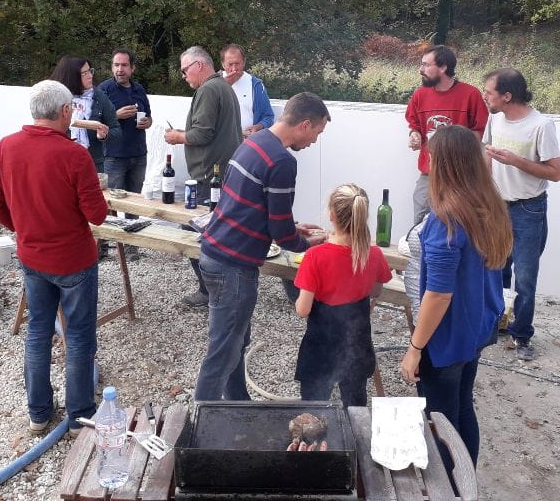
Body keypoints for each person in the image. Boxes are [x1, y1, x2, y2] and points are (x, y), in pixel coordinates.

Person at [0, 80, 109, 437]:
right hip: (73, 260)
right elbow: (96, 215)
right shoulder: (74, 155)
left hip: (33, 257)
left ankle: (39, 413)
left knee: (38, 330)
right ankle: (79, 416)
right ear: (66, 112)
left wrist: (23, 227)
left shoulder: (5, 147)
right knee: (80, 335)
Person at [194, 92, 331, 401]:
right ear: (304, 125)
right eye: (317, 133)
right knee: (222, 351)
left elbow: (250, 206)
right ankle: (201, 423)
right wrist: (308, 244)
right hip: (233, 265)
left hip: (213, 252)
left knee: (236, 340)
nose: (314, 141)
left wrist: (294, 227)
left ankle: (238, 403)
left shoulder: (253, 142)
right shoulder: (282, 161)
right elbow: (282, 236)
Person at [399, 124, 512, 468]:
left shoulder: (445, 220)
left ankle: (448, 486)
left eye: (433, 157)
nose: (428, 163)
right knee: (462, 406)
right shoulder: (489, 208)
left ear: (446, 164)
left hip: (446, 338)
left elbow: (438, 295)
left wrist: (415, 349)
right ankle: (466, 482)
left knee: (439, 422)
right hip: (477, 329)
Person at [482, 68, 560, 362]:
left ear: (507, 95)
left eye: (489, 92)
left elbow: (555, 173)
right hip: (498, 206)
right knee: (496, 269)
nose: (485, 97)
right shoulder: (495, 118)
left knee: (525, 277)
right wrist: (485, 193)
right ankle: (496, 326)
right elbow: (488, 154)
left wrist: (516, 161)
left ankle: (522, 335)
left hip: (529, 208)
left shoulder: (541, 125)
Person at [293, 184, 392, 407]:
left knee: (314, 405)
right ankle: (355, 438)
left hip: (321, 344)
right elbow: (376, 291)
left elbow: (303, 310)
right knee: (355, 402)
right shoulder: (373, 253)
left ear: (331, 214)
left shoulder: (315, 256)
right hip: (356, 341)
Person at [164, 46, 242, 306]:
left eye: (185, 70)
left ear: (199, 65)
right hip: (221, 171)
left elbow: (202, 135)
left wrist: (177, 137)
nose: (184, 76)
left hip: (210, 176)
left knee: (196, 233)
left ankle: (210, 291)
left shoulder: (208, 89)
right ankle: (219, 289)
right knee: (217, 233)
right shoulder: (223, 87)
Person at [405, 45, 488, 225]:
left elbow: (480, 131)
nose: (421, 70)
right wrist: (415, 134)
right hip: (429, 173)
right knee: (420, 220)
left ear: (443, 68)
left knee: (456, 225)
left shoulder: (470, 94)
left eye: (426, 65)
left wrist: (453, 147)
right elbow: (415, 124)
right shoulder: (420, 94)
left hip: (460, 176)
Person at [49, 55, 121, 173]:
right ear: (73, 77)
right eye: (85, 73)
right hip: (61, 162)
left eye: (90, 71)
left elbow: (117, 131)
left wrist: (105, 134)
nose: (90, 76)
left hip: (92, 164)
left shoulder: (99, 97)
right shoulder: (56, 98)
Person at [98, 48, 152, 194]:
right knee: (112, 204)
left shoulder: (139, 89)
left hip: (138, 155)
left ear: (132, 68)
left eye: (124, 65)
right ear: (112, 67)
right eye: (116, 65)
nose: (120, 69)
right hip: (114, 157)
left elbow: (149, 117)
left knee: (135, 203)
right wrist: (115, 116)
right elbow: (95, 122)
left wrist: (148, 122)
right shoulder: (104, 90)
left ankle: (132, 219)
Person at [220, 43, 275, 137]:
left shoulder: (255, 85)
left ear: (244, 62)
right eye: (230, 64)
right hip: (221, 141)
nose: (234, 69)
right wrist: (223, 86)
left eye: (237, 64)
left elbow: (268, 117)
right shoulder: (213, 84)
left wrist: (258, 127)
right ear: (223, 64)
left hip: (246, 142)